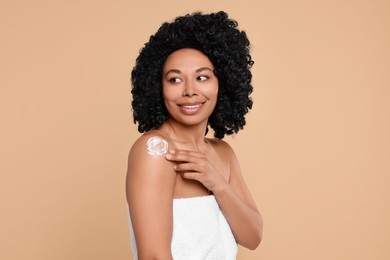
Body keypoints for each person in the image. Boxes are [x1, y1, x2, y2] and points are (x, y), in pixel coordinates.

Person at [126, 11, 263, 259]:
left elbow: (252, 237)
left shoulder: (222, 153)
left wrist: (216, 182)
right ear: (159, 87)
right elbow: (154, 256)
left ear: (223, 83)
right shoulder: (156, 151)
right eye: (175, 79)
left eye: (202, 77)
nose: (190, 91)